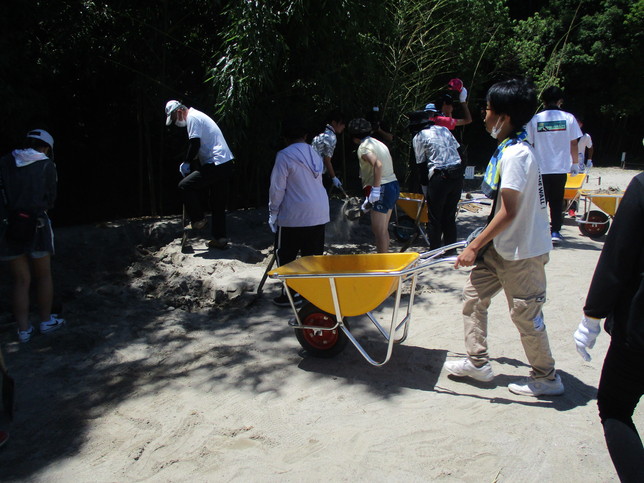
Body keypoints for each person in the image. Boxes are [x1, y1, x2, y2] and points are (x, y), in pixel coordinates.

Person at [444, 79, 564, 397]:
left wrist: (473, 246)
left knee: (525, 314)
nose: (484, 116)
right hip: (502, 247)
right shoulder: (510, 149)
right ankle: (478, 362)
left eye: (487, 110)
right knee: (473, 299)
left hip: (522, 251)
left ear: (503, 116)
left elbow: (508, 211)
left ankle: (547, 377)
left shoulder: (517, 155)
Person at [573, 172, 644, 482]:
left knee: (615, 406)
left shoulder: (643, 186)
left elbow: (618, 255)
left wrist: (593, 315)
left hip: (639, 329)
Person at [0, 130, 66, 342]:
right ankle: (46, 321)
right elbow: (51, 198)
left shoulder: (5, 162)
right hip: (36, 226)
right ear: (46, 147)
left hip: (9, 227)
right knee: (43, 275)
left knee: (20, 280)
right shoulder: (46, 165)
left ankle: (23, 330)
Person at [268, 117, 330, 307]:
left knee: (286, 255)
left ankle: (290, 294)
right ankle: (310, 294)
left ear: (285, 138)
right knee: (312, 256)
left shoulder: (285, 155)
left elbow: (277, 187)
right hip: (319, 212)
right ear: (305, 135)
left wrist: (273, 211)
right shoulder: (314, 153)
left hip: (294, 214)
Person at [165, 100, 234, 250]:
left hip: (217, 162)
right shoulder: (197, 116)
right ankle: (219, 238)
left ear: (178, 112)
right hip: (225, 162)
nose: (177, 123)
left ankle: (198, 219)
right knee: (217, 202)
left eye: (175, 119)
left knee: (185, 186)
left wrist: (187, 162)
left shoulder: (192, 117)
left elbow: (194, 143)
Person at [527, 86, 583, 244]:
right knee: (557, 201)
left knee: (539, 201)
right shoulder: (568, 118)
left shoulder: (536, 119)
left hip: (540, 168)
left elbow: (529, 143)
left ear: (543, 101)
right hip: (560, 167)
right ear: (560, 101)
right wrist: (575, 164)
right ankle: (555, 231)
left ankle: (538, 230)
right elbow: (573, 143)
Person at [410, 108, 464, 250]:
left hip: (440, 177)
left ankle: (435, 250)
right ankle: (451, 249)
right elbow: (459, 151)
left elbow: (421, 166)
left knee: (434, 217)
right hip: (457, 175)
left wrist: (425, 189)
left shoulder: (419, 137)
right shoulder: (444, 130)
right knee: (449, 215)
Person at [348, 118, 400, 253]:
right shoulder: (379, 143)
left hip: (382, 187)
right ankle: (385, 261)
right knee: (383, 229)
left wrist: (376, 191)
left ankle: (382, 269)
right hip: (393, 185)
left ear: (353, 137)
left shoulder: (364, 147)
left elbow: (378, 164)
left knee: (379, 230)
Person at [311, 110, 346, 193]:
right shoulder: (331, 137)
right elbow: (327, 160)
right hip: (319, 172)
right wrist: (334, 177)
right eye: (342, 124)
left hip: (311, 170)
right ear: (334, 123)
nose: (344, 126)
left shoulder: (321, 134)